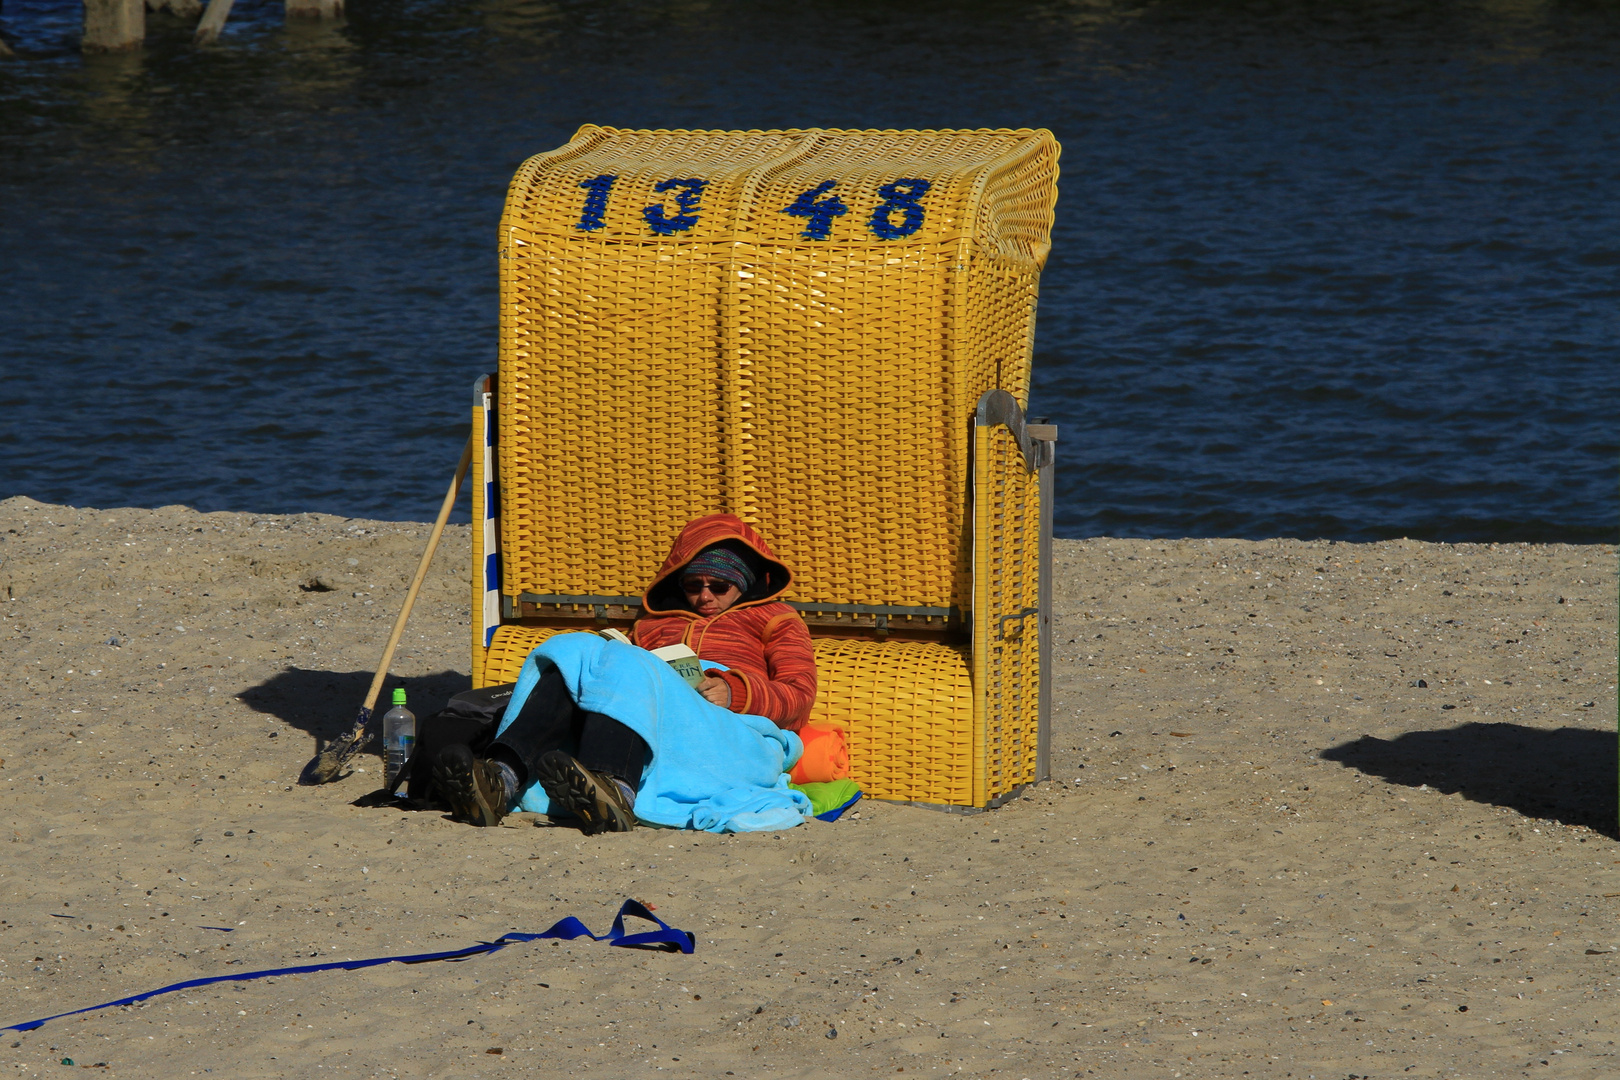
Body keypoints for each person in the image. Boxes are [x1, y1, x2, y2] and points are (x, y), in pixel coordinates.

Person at [433, 513, 817, 833]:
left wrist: (736, 691)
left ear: (745, 582)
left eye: (719, 586)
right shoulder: (652, 624)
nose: (704, 597)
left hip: (735, 735)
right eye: (692, 585)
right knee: (574, 650)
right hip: (659, 725)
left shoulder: (775, 620)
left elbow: (799, 696)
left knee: (628, 661)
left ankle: (616, 786)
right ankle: (502, 777)